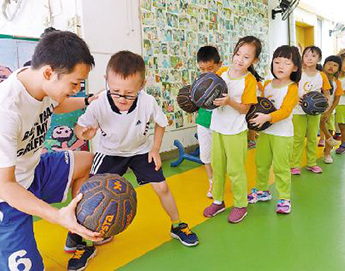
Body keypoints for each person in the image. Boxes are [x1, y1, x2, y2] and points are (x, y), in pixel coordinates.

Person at [74, 51, 199, 249]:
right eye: (115, 91)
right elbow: (79, 128)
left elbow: (161, 123)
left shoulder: (147, 102)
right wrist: (84, 133)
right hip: (109, 152)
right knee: (92, 193)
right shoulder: (99, 104)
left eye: (129, 93)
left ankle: (177, 225)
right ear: (106, 81)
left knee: (163, 187)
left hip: (141, 151)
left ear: (141, 85)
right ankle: (78, 236)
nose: (122, 98)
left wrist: (156, 149)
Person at [0, 31, 101, 271]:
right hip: (7, 194)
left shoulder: (36, 79)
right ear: (48, 72)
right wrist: (56, 216)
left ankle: (76, 237)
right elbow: (5, 185)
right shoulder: (6, 112)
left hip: (33, 169)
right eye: (74, 83)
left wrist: (89, 100)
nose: (76, 89)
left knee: (88, 161)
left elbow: (55, 104)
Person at [203, 36, 260, 223]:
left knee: (235, 170)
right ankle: (218, 201)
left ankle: (240, 205)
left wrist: (229, 101)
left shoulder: (249, 81)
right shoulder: (223, 72)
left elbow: (245, 109)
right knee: (217, 167)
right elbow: (210, 93)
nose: (239, 60)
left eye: (246, 57)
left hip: (235, 131)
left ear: (254, 61)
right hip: (217, 127)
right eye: (237, 54)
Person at [247, 45, 301, 214]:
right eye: (277, 62)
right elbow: (259, 101)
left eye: (286, 63)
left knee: (281, 167)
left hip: (283, 134)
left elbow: (285, 111)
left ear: (295, 68)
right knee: (261, 163)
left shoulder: (292, 88)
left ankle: (284, 198)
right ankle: (262, 191)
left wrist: (267, 117)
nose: (280, 66)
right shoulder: (268, 84)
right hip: (265, 133)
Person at [290, 46, 332, 175]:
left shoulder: (322, 76)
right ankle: (295, 165)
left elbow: (327, 94)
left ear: (319, 59)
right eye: (306, 55)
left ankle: (311, 163)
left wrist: (326, 107)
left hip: (315, 112)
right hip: (298, 111)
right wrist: (295, 99)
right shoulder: (297, 73)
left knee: (313, 137)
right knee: (298, 138)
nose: (309, 58)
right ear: (302, 57)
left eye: (313, 56)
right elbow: (289, 89)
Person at [195, 46, 222, 198]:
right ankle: (212, 181)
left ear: (219, 64)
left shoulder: (224, 82)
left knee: (220, 156)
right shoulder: (199, 82)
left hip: (221, 125)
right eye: (202, 69)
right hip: (203, 122)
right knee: (205, 155)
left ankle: (220, 179)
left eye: (210, 68)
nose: (206, 73)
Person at [319, 55, 344, 164]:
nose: (331, 67)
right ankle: (329, 138)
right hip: (316, 111)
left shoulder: (337, 82)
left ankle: (327, 153)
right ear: (324, 65)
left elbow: (336, 99)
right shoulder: (318, 77)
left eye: (335, 65)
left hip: (329, 111)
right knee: (320, 123)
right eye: (329, 64)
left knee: (330, 128)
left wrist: (329, 112)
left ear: (338, 69)